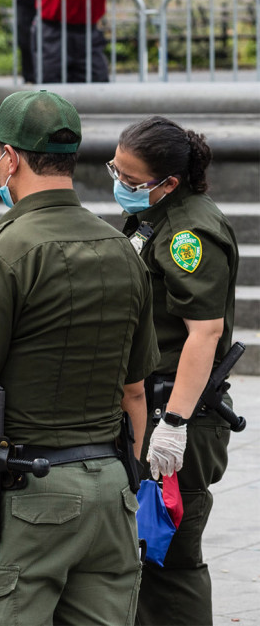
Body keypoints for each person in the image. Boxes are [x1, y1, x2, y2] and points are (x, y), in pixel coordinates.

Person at [0, 89, 158, 626]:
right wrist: (129, 480)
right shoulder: (122, 249)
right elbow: (134, 390)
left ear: (10, 157)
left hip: (28, 494)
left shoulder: (7, 253)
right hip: (110, 489)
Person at [111, 117, 238, 626]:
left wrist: (175, 425)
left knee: (171, 560)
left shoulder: (189, 233)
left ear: (169, 181)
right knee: (140, 554)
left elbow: (204, 333)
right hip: (151, 405)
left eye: (131, 180)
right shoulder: (158, 215)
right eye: (116, 170)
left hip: (176, 416)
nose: (120, 184)